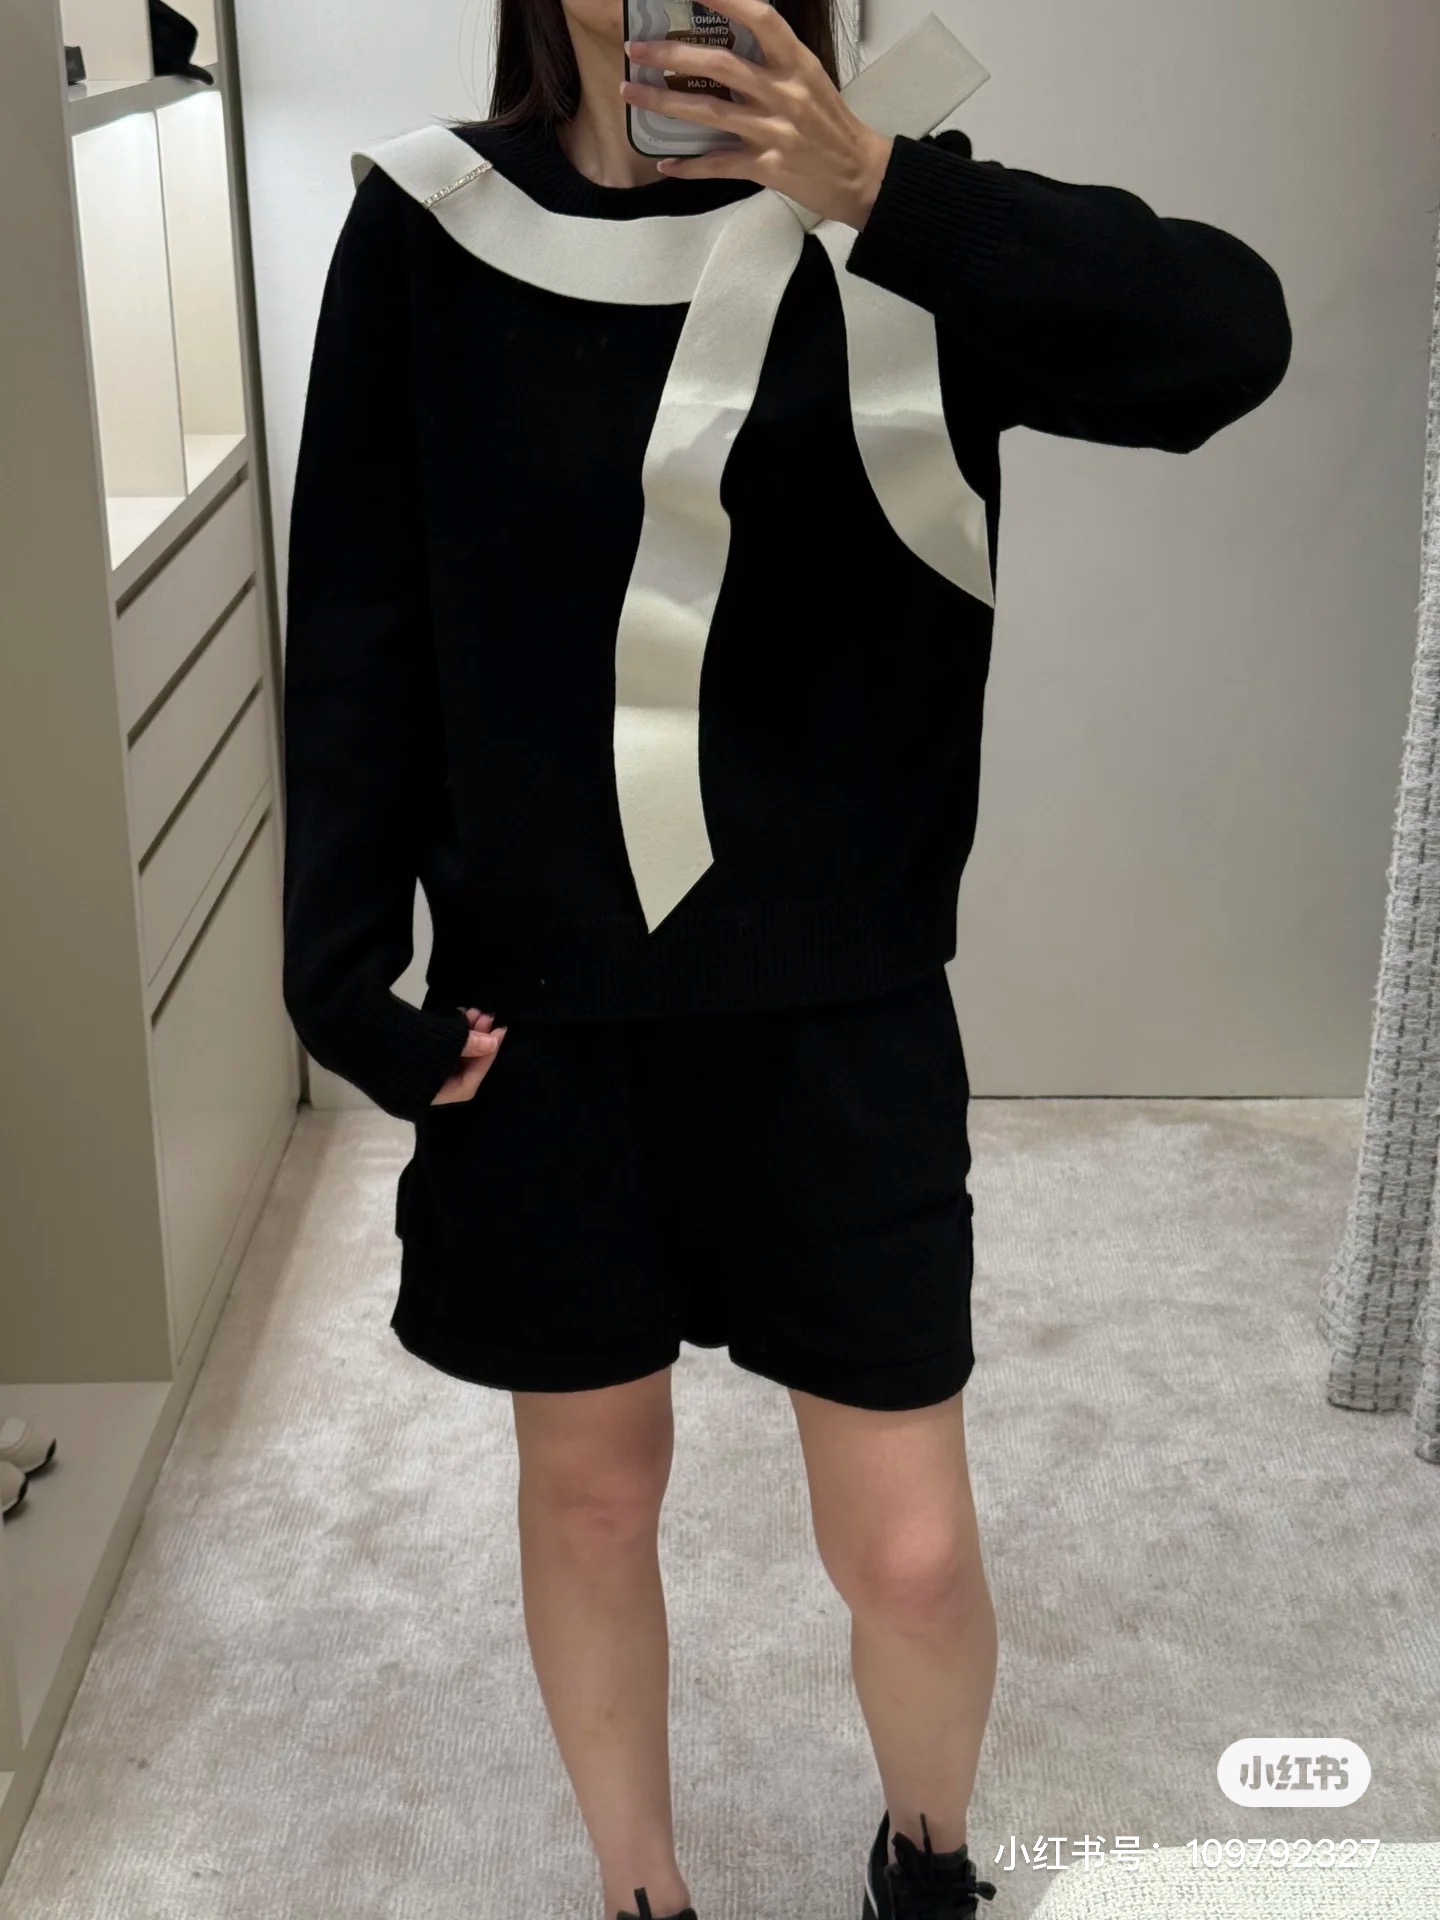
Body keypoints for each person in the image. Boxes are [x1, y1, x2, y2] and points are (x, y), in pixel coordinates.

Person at [278, 3, 1292, 1916]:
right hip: (547, 1014)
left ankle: (928, 1861)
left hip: (840, 1005)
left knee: (909, 1553)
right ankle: (639, 1891)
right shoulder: (428, 229)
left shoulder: (896, 212)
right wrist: (344, 982)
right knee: (594, 1498)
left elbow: (1226, 342)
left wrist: (882, 189)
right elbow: (357, 624)